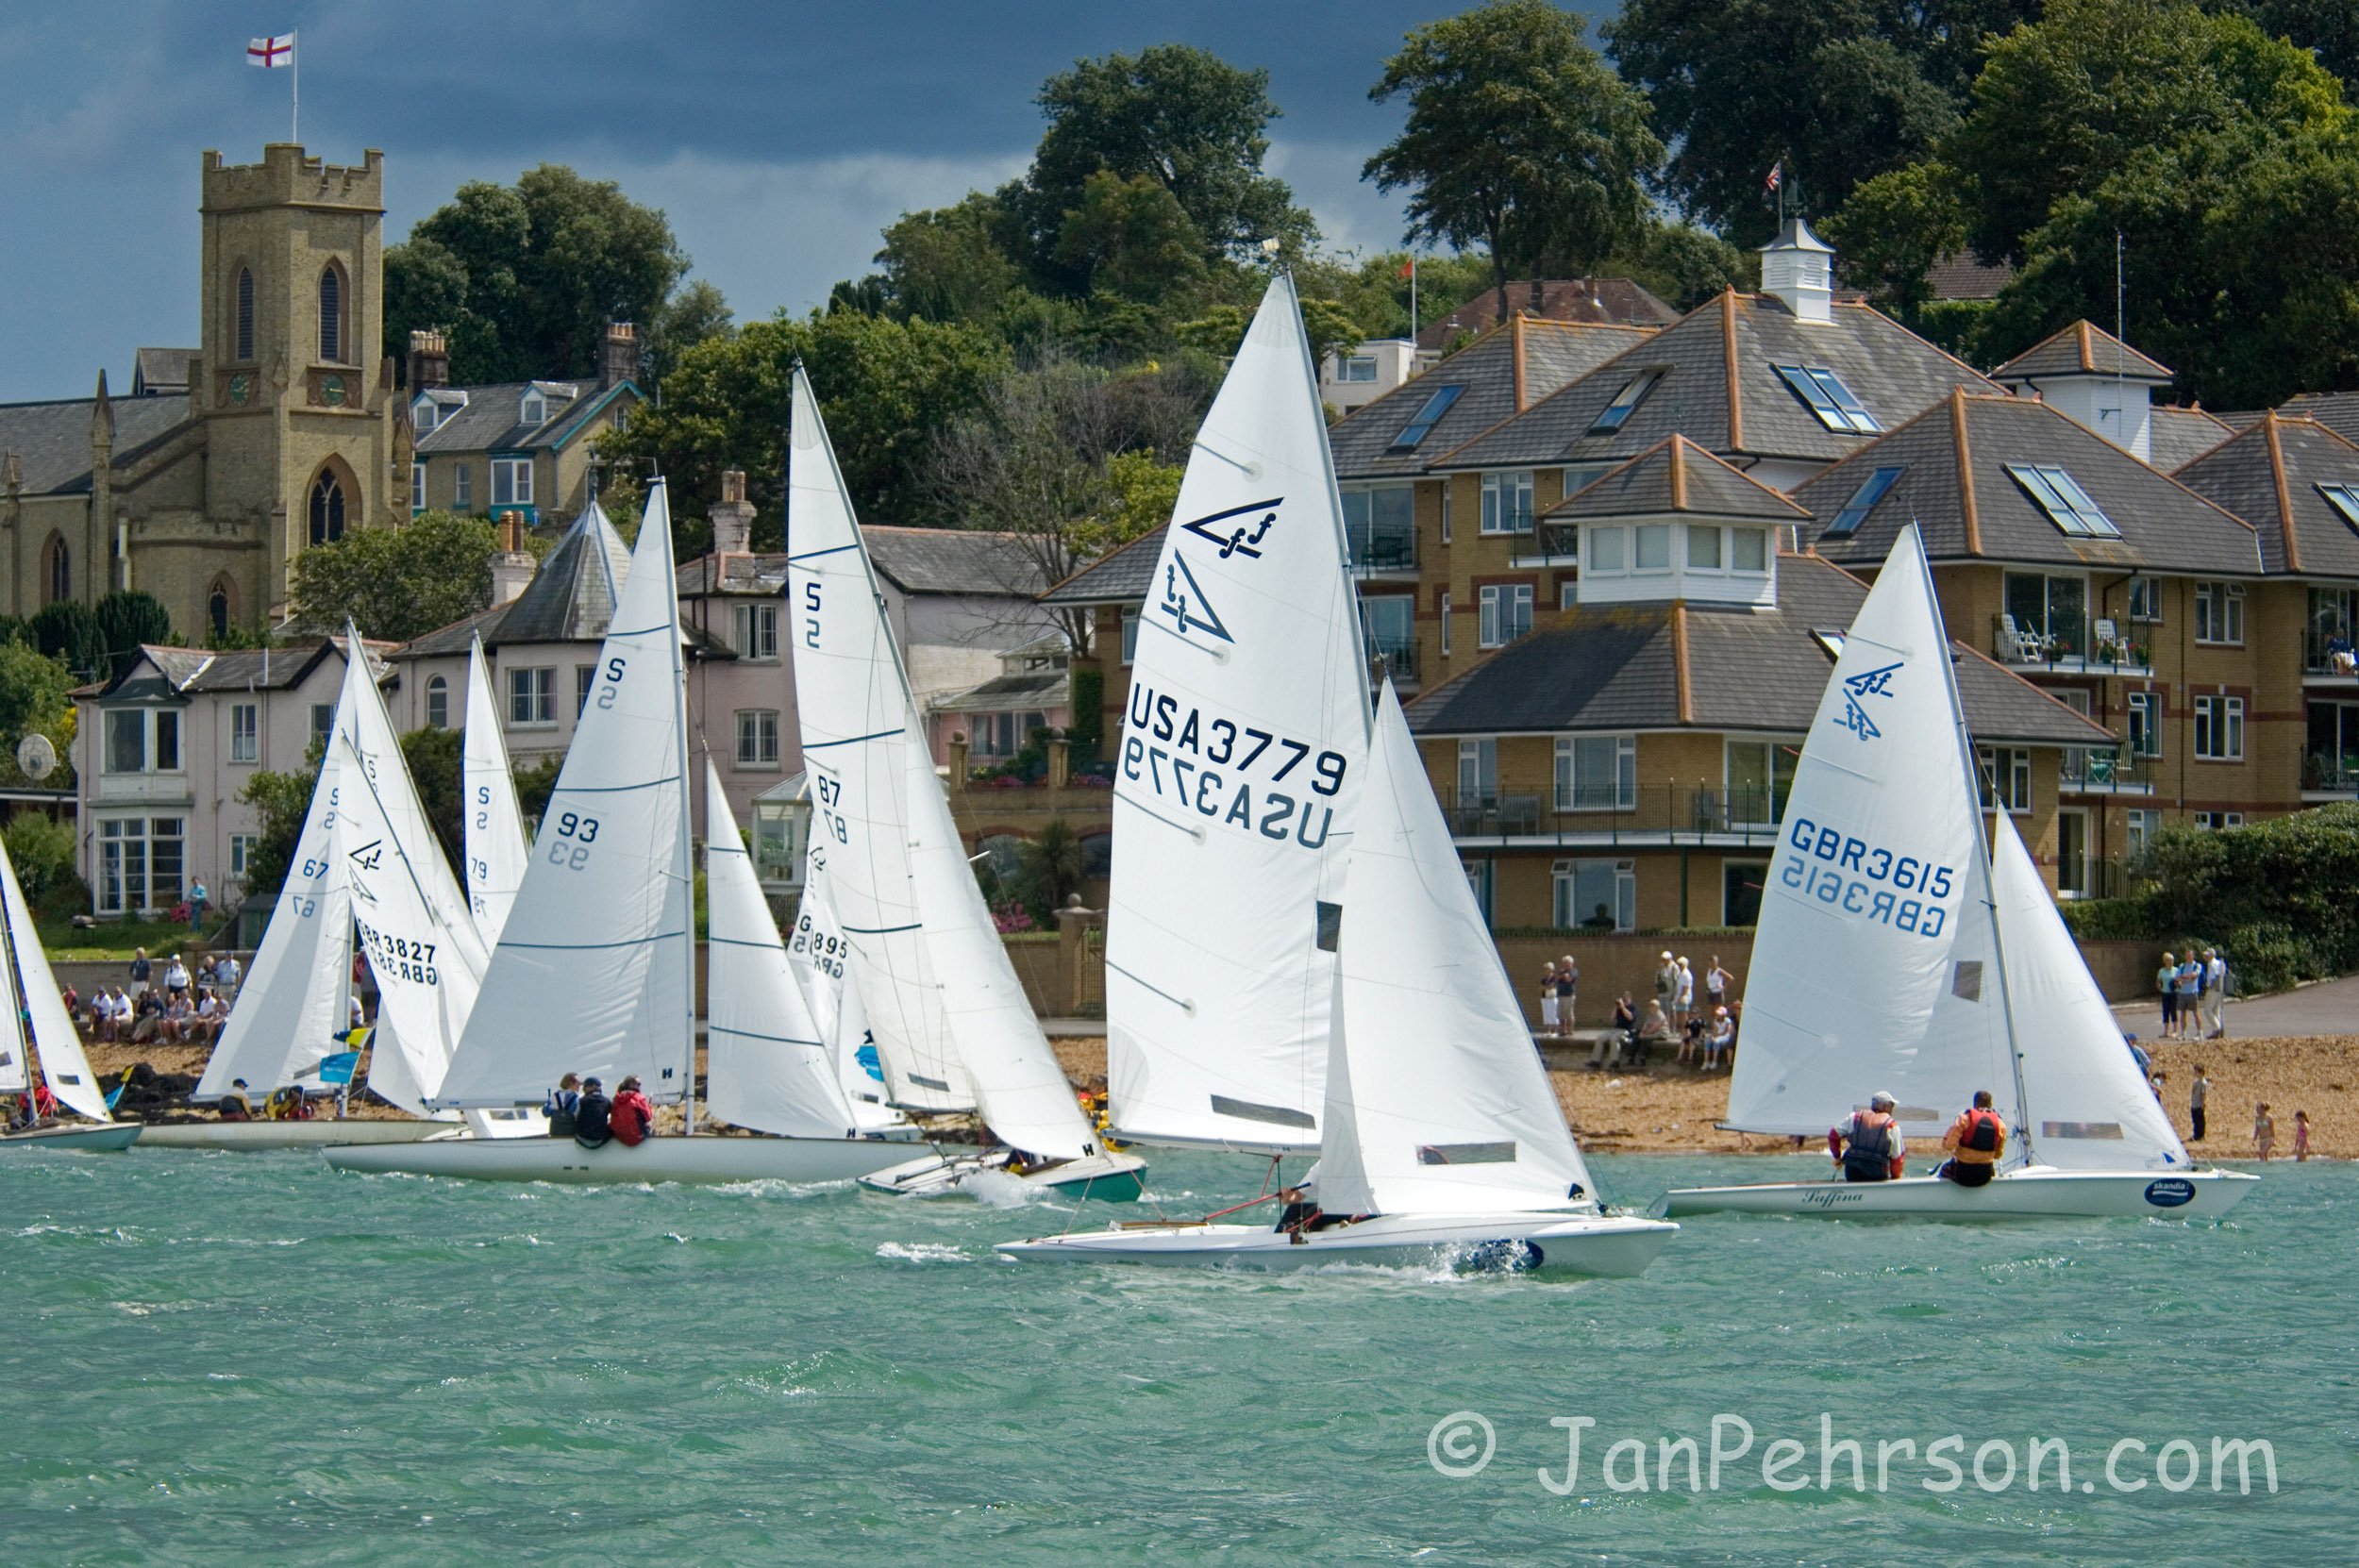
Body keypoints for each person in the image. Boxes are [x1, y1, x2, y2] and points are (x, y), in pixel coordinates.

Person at [1833, 1093, 1906, 1182]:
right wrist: (1896, 1178)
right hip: (1876, 1172)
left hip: (1852, 1171)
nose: (1892, 1109)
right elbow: (1897, 1158)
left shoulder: (1854, 1117)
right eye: (1892, 1106)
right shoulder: (1891, 1125)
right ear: (1886, 1107)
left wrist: (1837, 1157)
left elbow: (1833, 1135)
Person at [610, 1075, 654, 1146]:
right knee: (649, 1124)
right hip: (636, 1137)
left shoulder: (616, 1099)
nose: (640, 1086)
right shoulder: (639, 1098)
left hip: (619, 1136)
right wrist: (649, 1105)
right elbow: (648, 1117)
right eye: (638, 1084)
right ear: (634, 1085)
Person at [573, 1076, 614, 1148]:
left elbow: (575, 1116)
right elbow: (614, 1116)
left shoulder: (581, 1101)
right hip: (599, 1139)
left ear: (593, 1086)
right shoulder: (607, 1101)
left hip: (581, 1137)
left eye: (585, 1087)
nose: (583, 1090)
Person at [1631, 999, 1673, 1068]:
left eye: (1652, 1006)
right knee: (1637, 1036)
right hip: (1651, 1031)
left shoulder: (1660, 1015)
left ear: (1656, 1007)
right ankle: (1631, 1057)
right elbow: (1646, 1025)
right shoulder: (1649, 1015)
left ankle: (1642, 1057)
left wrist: (1645, 1034)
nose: (1650, 1007)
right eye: (1650, 1005)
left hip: (1661, 1032)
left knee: (1646, 1038)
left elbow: (1655, 1027)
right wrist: (1642, 1032)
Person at [544, 1074, 582, 1138]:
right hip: (571, 1135)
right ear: (571, 1084)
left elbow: (545, 1113)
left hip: (555, 1134)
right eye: (578, 1083)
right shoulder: (578, 1099)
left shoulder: (553, 1097)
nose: (580, 1086)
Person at [2200, 948, 2227, 1039]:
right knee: (2216, 1011)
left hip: (2213, 989)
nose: (2205, 957)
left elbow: (2213, 977)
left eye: (2206, 955)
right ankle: (2216, 1031)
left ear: (2211, 956)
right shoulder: (2219, 963)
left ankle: (2218, 1028)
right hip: (2220, 989)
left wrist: (2210, 987)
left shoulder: (2211, 964)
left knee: (2207, 1010)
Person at [2156, 952, 2179, 1039]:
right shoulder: (2161, 971)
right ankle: (2166, 1031)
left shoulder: (2176, 970)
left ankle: (2175, 1031)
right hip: (2165, 993)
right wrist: (2160, 988)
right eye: (2169, 960)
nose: (2171, 962)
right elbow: (2158, 982)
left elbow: (2180, 981)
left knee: (2173, 1011)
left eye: (2172, 960)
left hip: (2174, 993)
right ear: (2165, 961)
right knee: (2165, 1012)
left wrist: (2178, 984)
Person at [1705, 1007, 1735, 1072]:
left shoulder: (1728, 1021)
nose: (1718, 1015)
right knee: (1708, 1041)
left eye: (1720, 1014)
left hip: (1725, 1036)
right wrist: (1713, 1036)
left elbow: (1726, 1032)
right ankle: (1706, 1061)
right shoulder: (1715, 1020)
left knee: (1716, 1042)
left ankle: (1714, 1061)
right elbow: (1714, 1031)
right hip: (1717, 1035)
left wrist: (1717, 1037)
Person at [1537, 961, 1561, 1039]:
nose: (1545, 970)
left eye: (1547, 969)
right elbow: (1540, 988)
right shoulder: (1544, 979)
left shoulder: (1554, 977)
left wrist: (1545, 987)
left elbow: (1552, 986)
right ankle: (1548, 1031)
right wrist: (1547, 987)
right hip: (1545, 998)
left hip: (1552, 998)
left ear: (1551, 969)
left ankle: (1555, 1031)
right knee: (1546, 1014)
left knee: (1554, 1013)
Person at [1556, 955, 1577, 1033]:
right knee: (1561, 1014)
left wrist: (1565, 977)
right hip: (1560, 995)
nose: (1565, 964)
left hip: (1569, 995)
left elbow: (1569, 979)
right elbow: (1557, 978)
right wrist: (1563, 976)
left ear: (1571, 963)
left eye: (1566, 963)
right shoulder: (1561, 971)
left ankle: (1570, 1030)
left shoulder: (1574, 971)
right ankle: (1562, 1030)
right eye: (1564, 963)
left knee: (1568, 1013)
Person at [2190, 1065, 2211, 1142]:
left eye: (2197, 1072)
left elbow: (2203, 1094)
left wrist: (2202, 1104)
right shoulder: (2196, 1082)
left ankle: (2200, 1135)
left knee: (2199, 1121)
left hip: (2198, 1105)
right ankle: (2196, 1134)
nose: (2195, 1073)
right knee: (2195, 1120)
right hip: (2194, 1104)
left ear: (2201, 1072)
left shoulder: (2203, 1083)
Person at [1674, 957, 1695, 1028]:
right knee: (1679, 1014)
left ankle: (1685, 1030)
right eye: (1678, 964)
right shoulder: (1680, 973)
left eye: (1681, 964)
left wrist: (1681, 997)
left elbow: (1686, 987)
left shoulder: (1686, 974)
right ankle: (1682, 1030)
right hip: (1679, 996)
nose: (1679, 966)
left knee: (1684, 1014)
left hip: (1684, 997)